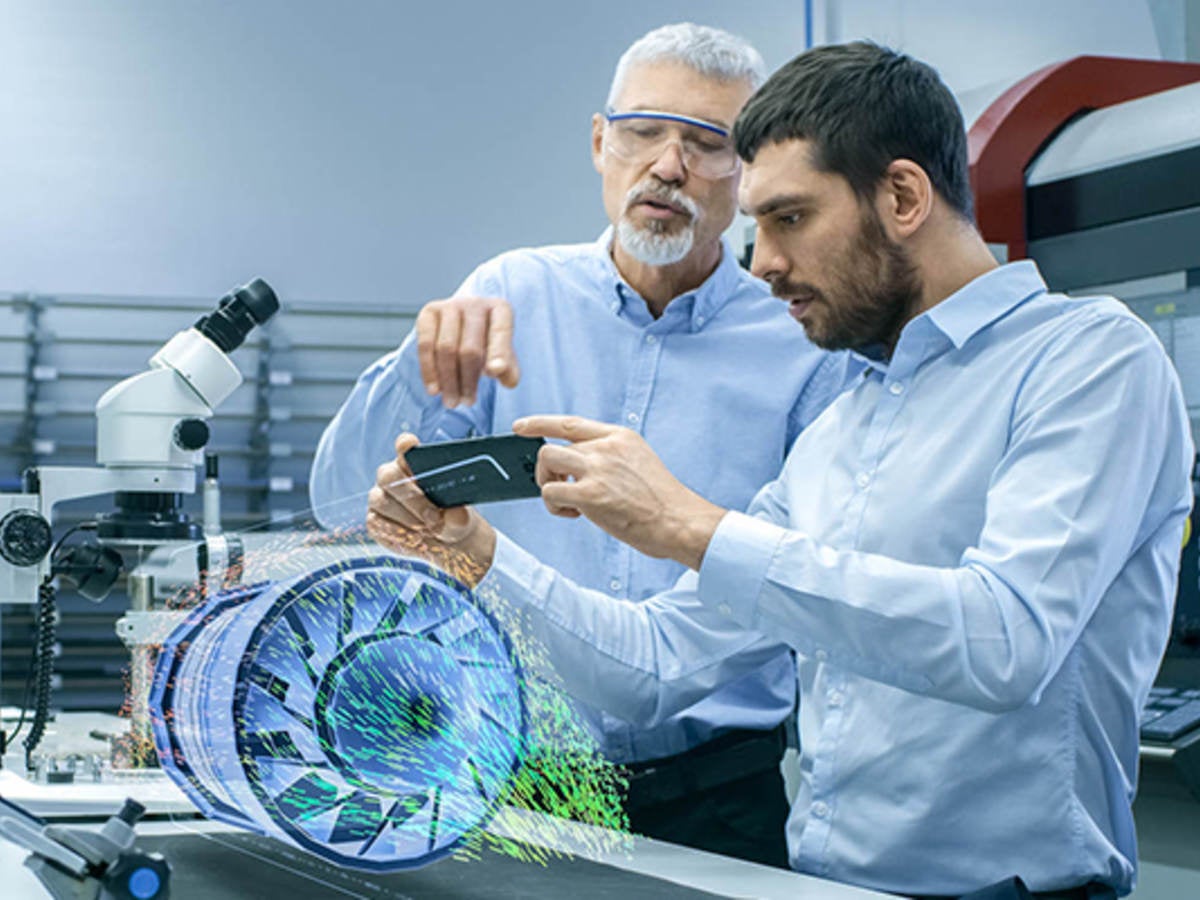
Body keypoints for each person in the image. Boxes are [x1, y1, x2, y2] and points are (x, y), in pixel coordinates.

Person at [366, 41, 1194, 899]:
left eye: (789, 219)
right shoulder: (844, 425)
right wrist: (477, 556)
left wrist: (689, 525)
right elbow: (653, 665)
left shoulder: (1089, 361)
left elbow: (1004, 642)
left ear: (904, 196)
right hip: (821, 886)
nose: (760, 265)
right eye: (758, 227)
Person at [310, 23, 855, 867]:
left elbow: (795, 575)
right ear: (602, 143)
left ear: (749, 175)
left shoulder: (802, 344)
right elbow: (344, 505)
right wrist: (415, 369)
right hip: (508, 777)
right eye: (643, 131)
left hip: (716, 795)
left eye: (708, 143)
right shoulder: (507, 295)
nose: (667, 165)